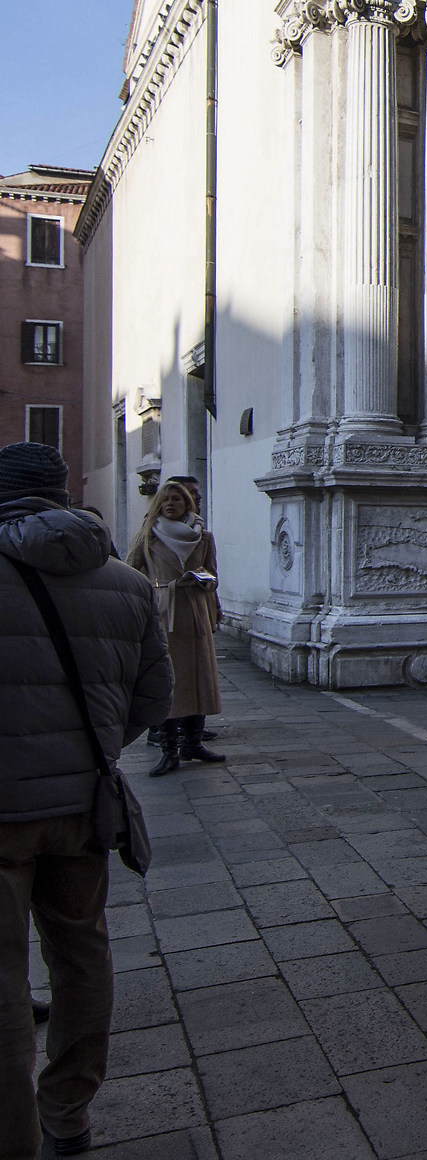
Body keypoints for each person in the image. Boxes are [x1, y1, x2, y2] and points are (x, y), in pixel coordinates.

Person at [0, 439, 171, 1160]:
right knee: (81, 955)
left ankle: (12, 1136)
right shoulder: (126, 585)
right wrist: (92, 749)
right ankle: (67, 1113)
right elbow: (152, 701)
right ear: (64, 494)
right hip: (85, 804)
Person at [125, 485, 225, 774]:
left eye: (177, 499)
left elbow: (212, 574)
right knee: (168, 681)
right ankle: (168, 750)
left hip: (196, 615)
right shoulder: (148, 534)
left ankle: (192, 743)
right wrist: (156, 594)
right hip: (163, 615)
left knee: (199, 678)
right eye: (166, 499)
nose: (170, 504)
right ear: (159, 504)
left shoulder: (203, 537)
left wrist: (207, 588)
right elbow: (131, 572)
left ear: (187, 503)